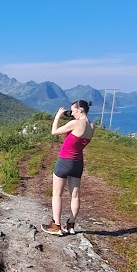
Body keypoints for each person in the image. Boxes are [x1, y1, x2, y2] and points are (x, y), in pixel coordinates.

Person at [41, 100, 94, 236]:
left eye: (74, 111)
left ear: (80, 110)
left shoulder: (75, 123)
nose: (73, 113)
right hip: (78, 162)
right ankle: (70, 225)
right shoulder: (92, 126)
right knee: (75, 195)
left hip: (65, 160)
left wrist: (58, 116)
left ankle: (56, 225)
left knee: (57, 193)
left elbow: (54, 132)